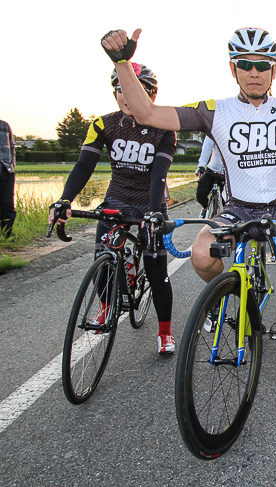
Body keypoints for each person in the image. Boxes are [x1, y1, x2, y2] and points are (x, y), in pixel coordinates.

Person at [100, 27, 276, 396]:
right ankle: (223, 294)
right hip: (238, 207)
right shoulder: (214, 110)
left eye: (262, 65)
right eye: (246, 64)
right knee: (202, 255)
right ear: (233, 69)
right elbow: (147, 112)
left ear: (274, 70)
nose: (255, 72)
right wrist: (122, 62)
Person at [48, 62, 177, 354]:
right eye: (121, 88)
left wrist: (155, 211)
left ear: (151, 94)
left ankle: (165, 331)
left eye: (139, 89)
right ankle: (107, 306)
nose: (128, 94)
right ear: (115, 92)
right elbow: (84, 166)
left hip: (150, 200)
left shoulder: (164, 127)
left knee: (156, 269)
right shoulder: (103, 124)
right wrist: (65, 199)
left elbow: (159, 174)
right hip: (117, 199)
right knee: (103, 254)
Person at [195, 136, 225, 218]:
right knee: (200, 194)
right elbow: (206, 148)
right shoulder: (212, 132)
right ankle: (205, 208)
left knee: (227, 200)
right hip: (212, 170)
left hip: (227, 173)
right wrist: (201, 165)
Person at [0, 120, 16, 238]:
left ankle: (7, 235)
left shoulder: (4, 126)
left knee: (8, 205)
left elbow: (12, 146)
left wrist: (12, 164)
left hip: (6, 169)